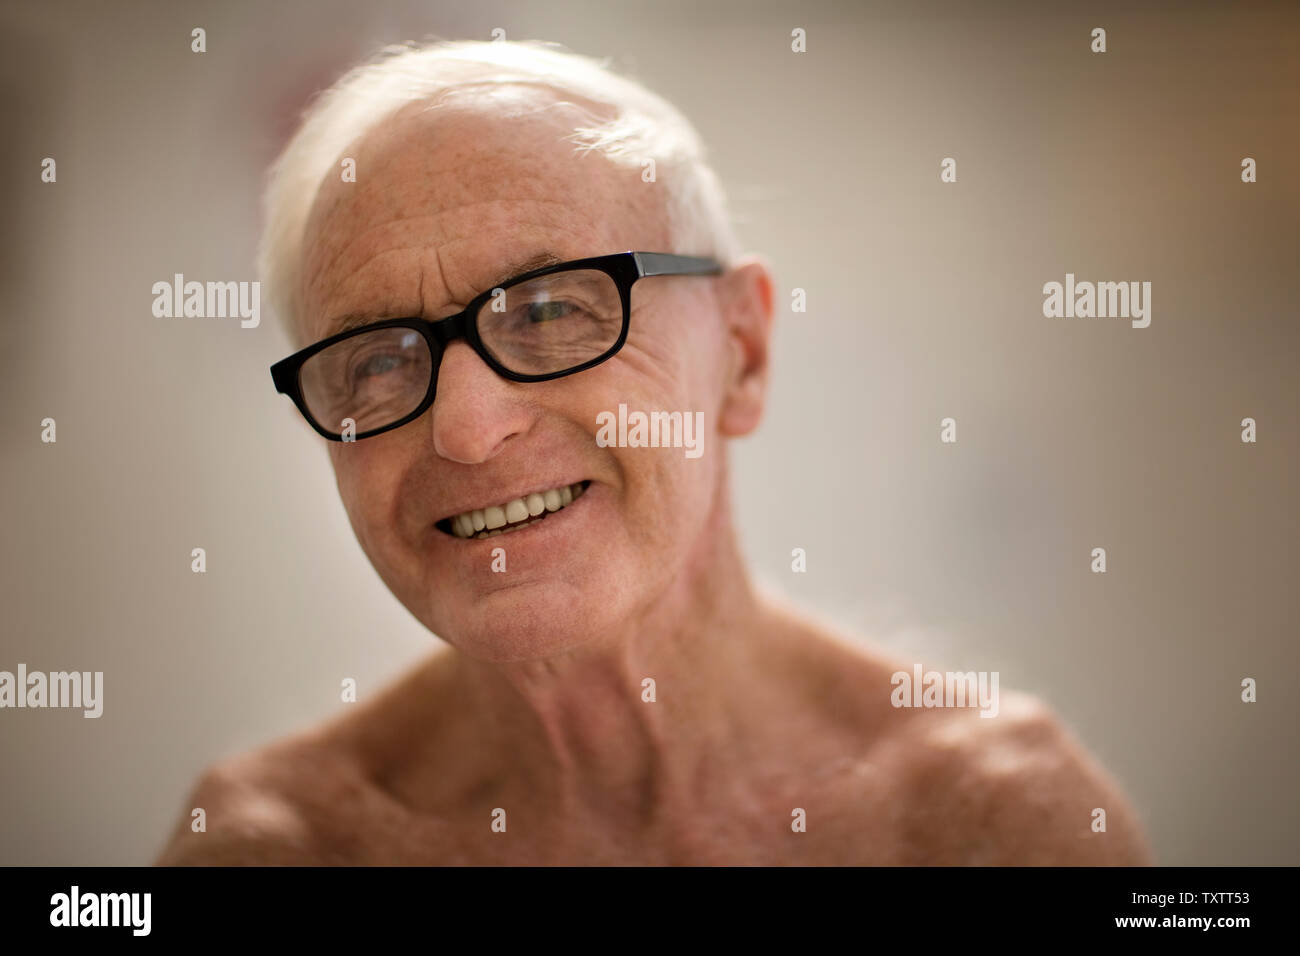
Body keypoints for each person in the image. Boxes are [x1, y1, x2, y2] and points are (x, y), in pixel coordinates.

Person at [156, 39, 1151, 865]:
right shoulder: (271, 846)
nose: (464, 426)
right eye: (375, 360)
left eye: (550, 308)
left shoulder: (992, 825)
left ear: (742, 354)